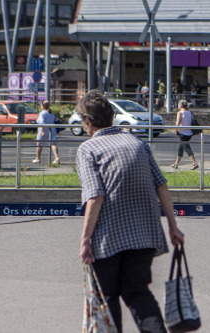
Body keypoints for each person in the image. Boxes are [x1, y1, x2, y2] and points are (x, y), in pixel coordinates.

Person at [76, 90, 184, 333]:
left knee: (107, 298)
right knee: (138, 293)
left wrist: (84, 240)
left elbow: (95, 196)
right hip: (143, 237)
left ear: (89, 122)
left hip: (107, 238)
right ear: (112, 117)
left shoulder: (88, 149)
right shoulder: (138, 144)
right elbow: (161, 185)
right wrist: (173, 227)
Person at [170, 100, 199, 170]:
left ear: (180, 105)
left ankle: (194, 163)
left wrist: (176, 130)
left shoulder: (180, 113)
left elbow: (178, 123)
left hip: (182, 133)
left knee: (186, 147)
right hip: (189, 133)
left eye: (178, 104)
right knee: (181, 147)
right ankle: (176, 163)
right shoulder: (190, 113)